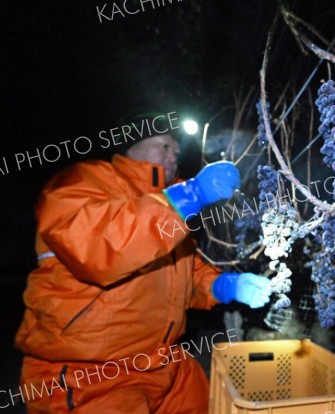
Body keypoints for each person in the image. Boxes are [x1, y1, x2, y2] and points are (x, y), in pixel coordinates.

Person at [14, 112, 272, 413]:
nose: (173, 157)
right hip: (88, 373)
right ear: (130, 145)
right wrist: (188, 196)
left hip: (163, 363)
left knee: (207, 401)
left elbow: (181, 276)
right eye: (164, 146)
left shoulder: (171, 205)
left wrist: (222, 285)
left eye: (176, 152)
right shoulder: (84, 181)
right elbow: (98, 246)